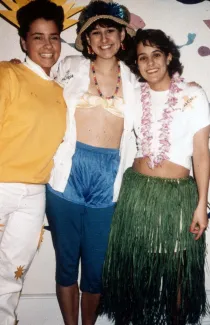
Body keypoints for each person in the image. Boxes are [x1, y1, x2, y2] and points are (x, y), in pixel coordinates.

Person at [99, 29, 210, 325]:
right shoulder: (135, 95)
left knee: (176, 273)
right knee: (136, 272)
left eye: (156, 55)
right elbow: (100, 83)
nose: (150, 64)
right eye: (142, 57)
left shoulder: (193, 94)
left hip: (176, 196)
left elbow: (201, 152)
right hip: (137, 193)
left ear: (169, 56)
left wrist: (202, 204)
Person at [45, 1, 138, 324]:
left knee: (96, 270)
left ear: (122, 34)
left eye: (110, 30)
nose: (103, 38)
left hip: (108, 180)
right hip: (67, 175)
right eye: (95, 33)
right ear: (86, 40)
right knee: (67, 264)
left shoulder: (135, 79)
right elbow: (39, 79)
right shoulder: (69, 65)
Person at [0, 1, 67, 324]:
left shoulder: (60, 91)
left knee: (12, 274)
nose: (47, 45)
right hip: (1, 185)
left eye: (53, 37)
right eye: (38, 37)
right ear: (23, 41)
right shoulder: (6, 73)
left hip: (34, 194)